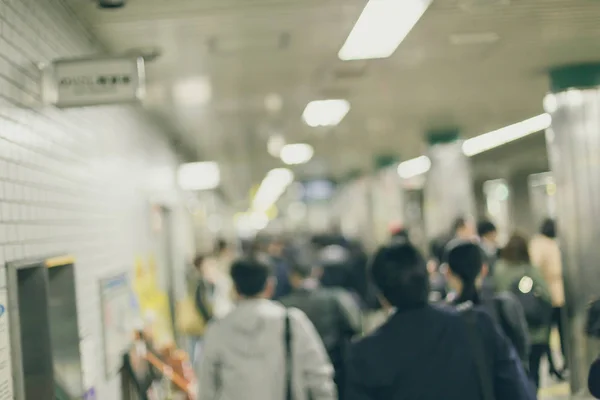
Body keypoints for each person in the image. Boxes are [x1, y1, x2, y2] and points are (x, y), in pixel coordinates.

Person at [345, 242, 535, 400]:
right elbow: (518, 392)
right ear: (428, 279)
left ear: (381, 295)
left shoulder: (364, 355)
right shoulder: (477, 325)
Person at [198, 257, 336, 400]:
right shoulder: (291, 322)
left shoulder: (218, 329)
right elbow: (318, 377)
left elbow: (207, 386)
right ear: (270, 286)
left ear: (234, 288)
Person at [280, 262, 361, 398]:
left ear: (293, 277)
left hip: (297, 372)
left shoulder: (284, 305)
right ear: (317, 273)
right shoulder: (336, 297)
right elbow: (355, 327)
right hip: (336, 363)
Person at [444, 240, 530, 367]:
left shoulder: (444, 319)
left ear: (448, 273)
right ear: (484, 269)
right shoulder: (504, 305)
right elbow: (522, 351)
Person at [495, 233, 553, 388]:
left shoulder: (498, 270)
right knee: (533, 372)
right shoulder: (531, 270)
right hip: (536, 332)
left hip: (510, 333)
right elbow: (547, 295)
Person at [529, 218, 567, 378]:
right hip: (548, 295)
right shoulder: (541, 244)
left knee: (554, 332)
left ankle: (557, 364)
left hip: (555, 294)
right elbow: (536, 268)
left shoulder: (540, 243)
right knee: (550, 333)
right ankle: (553, 364)